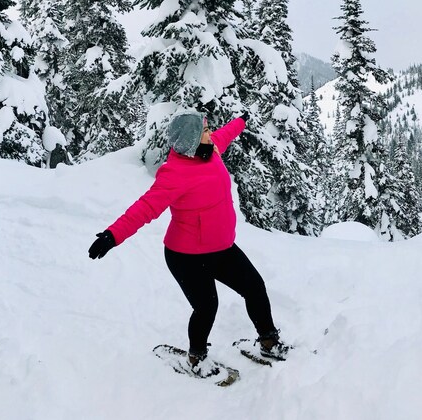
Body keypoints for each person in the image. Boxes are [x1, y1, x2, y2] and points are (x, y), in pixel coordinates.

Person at [87, 110, 289, 374]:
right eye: (205, 131)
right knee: (207, 306)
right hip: (186, 256)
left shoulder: (211, 150)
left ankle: (268, 341)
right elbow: (145, 208)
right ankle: (196, 358)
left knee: (255, 287)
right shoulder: (175, 173)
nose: (210, 133)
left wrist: (242, 121)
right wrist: (112, 235)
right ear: (192, 140)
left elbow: (223, 135)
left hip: (222, 248)